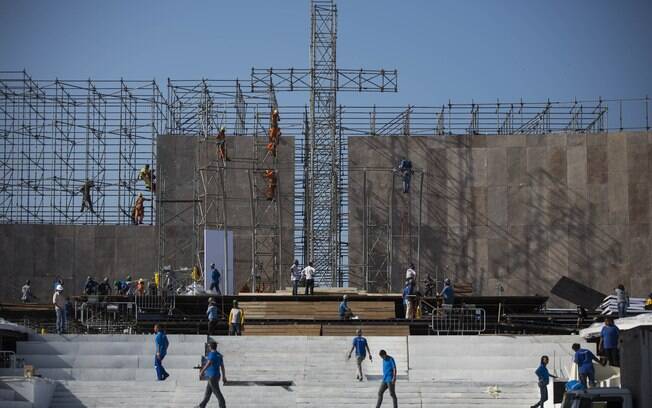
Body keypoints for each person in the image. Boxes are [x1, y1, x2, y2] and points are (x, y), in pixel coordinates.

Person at [196, 341, 227, 408]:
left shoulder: (211, 354)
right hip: (216, 376)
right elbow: (222, 367)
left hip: (212, 376)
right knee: (208, 393)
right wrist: (224, 376)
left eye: (209, 346)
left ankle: (223, 406)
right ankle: (201, 406)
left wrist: (202, 371)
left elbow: (208, 363)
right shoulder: (219, 355)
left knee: (217, 393)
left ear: (210, 347)